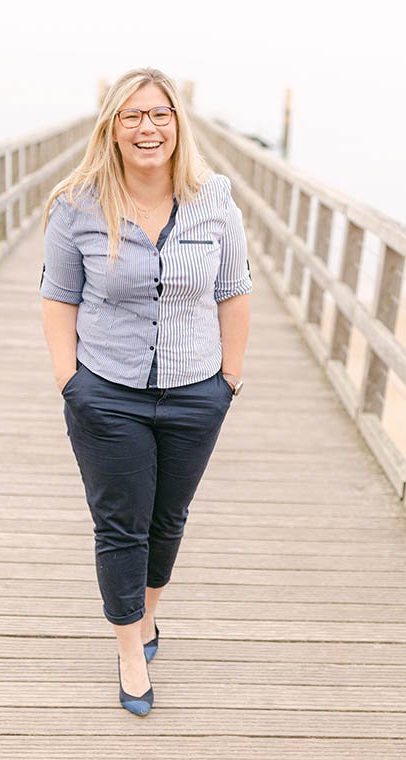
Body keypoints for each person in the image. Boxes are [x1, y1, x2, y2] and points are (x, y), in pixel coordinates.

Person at [38, 67, 251, 716]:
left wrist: (229, 380)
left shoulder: (215, 199)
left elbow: (234, 291)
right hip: (108, 390)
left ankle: (148, 613)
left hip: (196, 392)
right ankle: (130, 645)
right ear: (111, 128)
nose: (147, 128)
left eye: (159, 114)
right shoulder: (75, 204)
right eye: (131, 116)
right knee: (121, 524)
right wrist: (71, 382)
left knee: (168, 519)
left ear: (179, 124)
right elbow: (57, 299)